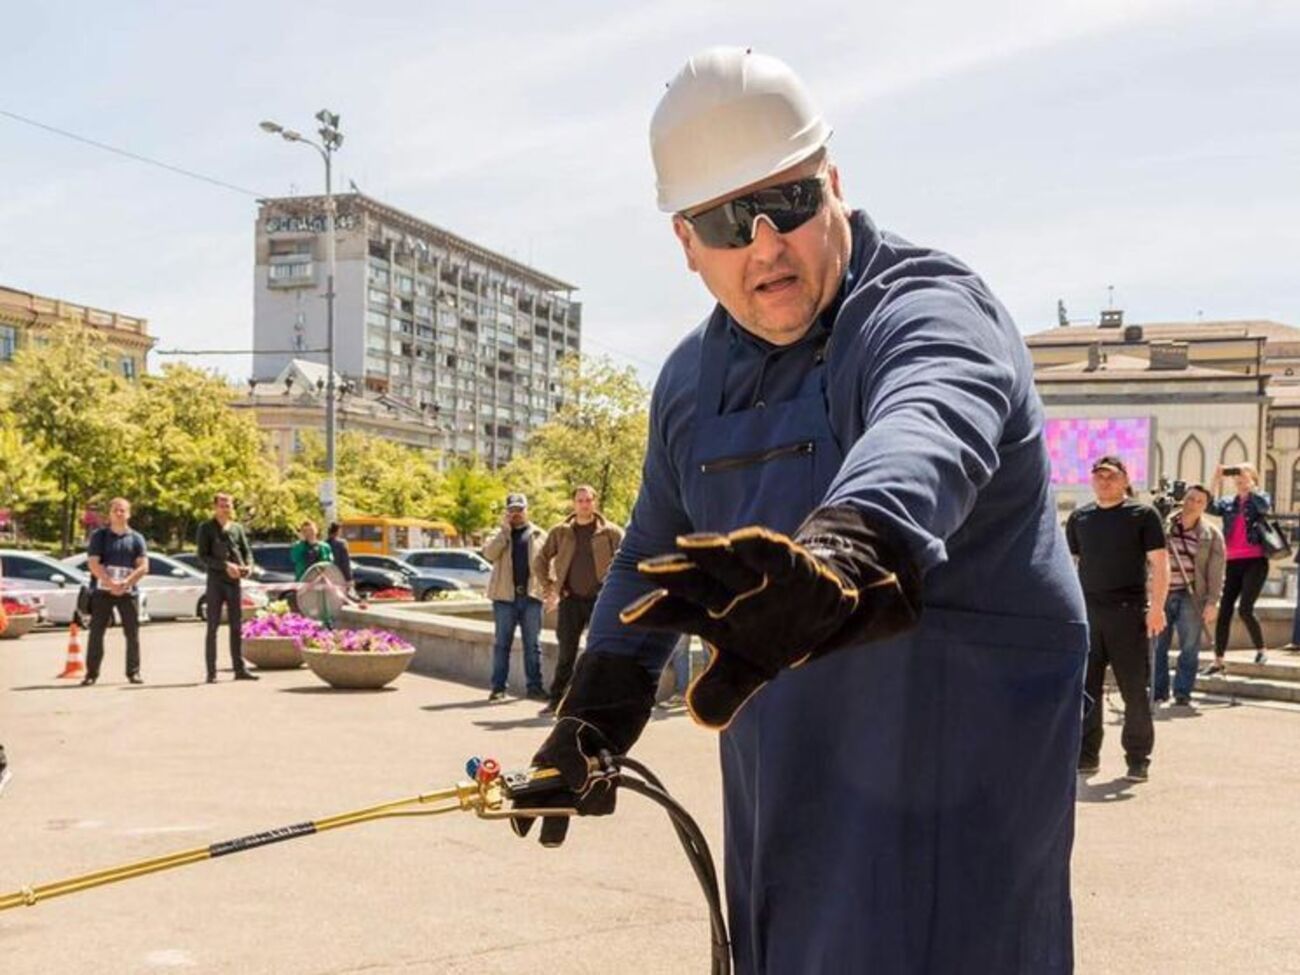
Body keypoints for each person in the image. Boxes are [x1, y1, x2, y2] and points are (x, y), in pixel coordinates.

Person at [509, 48, 1088, 974]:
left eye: (789, 203)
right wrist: (596, 717)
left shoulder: (929, 308)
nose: (766, 244)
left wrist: (847, 554)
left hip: (956, 788)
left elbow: (927, 424)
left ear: (835, 184)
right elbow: (646, 558)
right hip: (790, 804)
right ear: (686, 243)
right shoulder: (691, 385)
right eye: (728, 221)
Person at [1066, 456, 1168, 782]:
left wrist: (1157, 607)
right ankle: (1086, 755)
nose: (1104, 482)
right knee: (1086, 690)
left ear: (1125, 479)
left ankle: (1138, 758)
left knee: (1134, 691)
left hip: (1129, 614)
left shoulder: (1142, 515)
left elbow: (1160, 564)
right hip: (1088, 615)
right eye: (1098, 476)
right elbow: (1069, 567)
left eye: (1111, 477)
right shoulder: (1080, 518)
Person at [532, 485, 625, 714]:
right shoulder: (561, 532)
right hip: (570, 600)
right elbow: (540, 560)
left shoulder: (611, 532)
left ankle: (599, 702)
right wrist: (549, 587)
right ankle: (556, 701)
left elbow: (626, 561)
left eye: (588, 500)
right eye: (580, 500)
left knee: (600, 652)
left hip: (600, 602)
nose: (584, 504)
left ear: (595, 502)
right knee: (566, 654)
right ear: (574, 503)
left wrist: (616, 593)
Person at [1153, 484, 1224, 707]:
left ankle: (1182, 692)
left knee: (1190, 647)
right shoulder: (1163, 524)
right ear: (1183, 499)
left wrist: (1213, 601)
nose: (1193, 504)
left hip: (1191, 595)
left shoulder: (1211, 534)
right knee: (1157, 645)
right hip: (1161, 592)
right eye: (1190, 499)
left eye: (1199, 501)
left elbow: (1216, 570)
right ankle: (1158, 690)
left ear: (1205, 506)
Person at [1206, 463, 1272, 671]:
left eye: (1243, 475)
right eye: (1237, 476)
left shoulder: (1259, 498)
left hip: (1255, 561)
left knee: (1245, 609)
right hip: (1233, 562)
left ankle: (1261, 650)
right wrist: (1216, 479)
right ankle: (1218, 660)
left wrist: (1250, 488)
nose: (1239, 479)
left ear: (1253, 477)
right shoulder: (1228, 502)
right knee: (1224, 611)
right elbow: (1209, 507)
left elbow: (1264, 507)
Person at [482, 493, 548, 702]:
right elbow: (489, 554)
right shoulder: (498, 533)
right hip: (504, 599)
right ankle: (498, 688)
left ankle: (535, 688)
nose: (516, 514)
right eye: (512, 510)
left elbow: (549, 564)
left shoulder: (539, 535)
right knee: (502, 645)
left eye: (520, 509)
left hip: (531, 598)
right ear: (507, 512)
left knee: (533, 646)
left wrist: (550, 589)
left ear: (527, 510)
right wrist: (505, 531)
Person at [82, 497, 148, 686]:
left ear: (129, 513)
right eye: (116, 510)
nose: (119, 513)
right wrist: (110, 583)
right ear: (109, 514)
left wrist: (126, 582)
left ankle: (133, 673)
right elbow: (93, 563)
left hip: (128, 593)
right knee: (96, 633)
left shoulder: (137, 538)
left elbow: (143, 566)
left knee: (132, 634)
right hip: (103, 591)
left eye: (123, 510)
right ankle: (91, 674)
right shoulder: (99, 536)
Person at [195, 493, 258, 682]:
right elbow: (202, 556)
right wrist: (225, 566)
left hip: (234, 583)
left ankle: (239, 669)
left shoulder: (237, 528)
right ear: (215, 507)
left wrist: (248, 567)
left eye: (228, 505)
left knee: (236, 627)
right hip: (216, 582)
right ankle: (211, 671)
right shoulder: (206, 528)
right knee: (212, 626)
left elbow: (247, 552)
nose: (225, 508)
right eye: (222, 505)